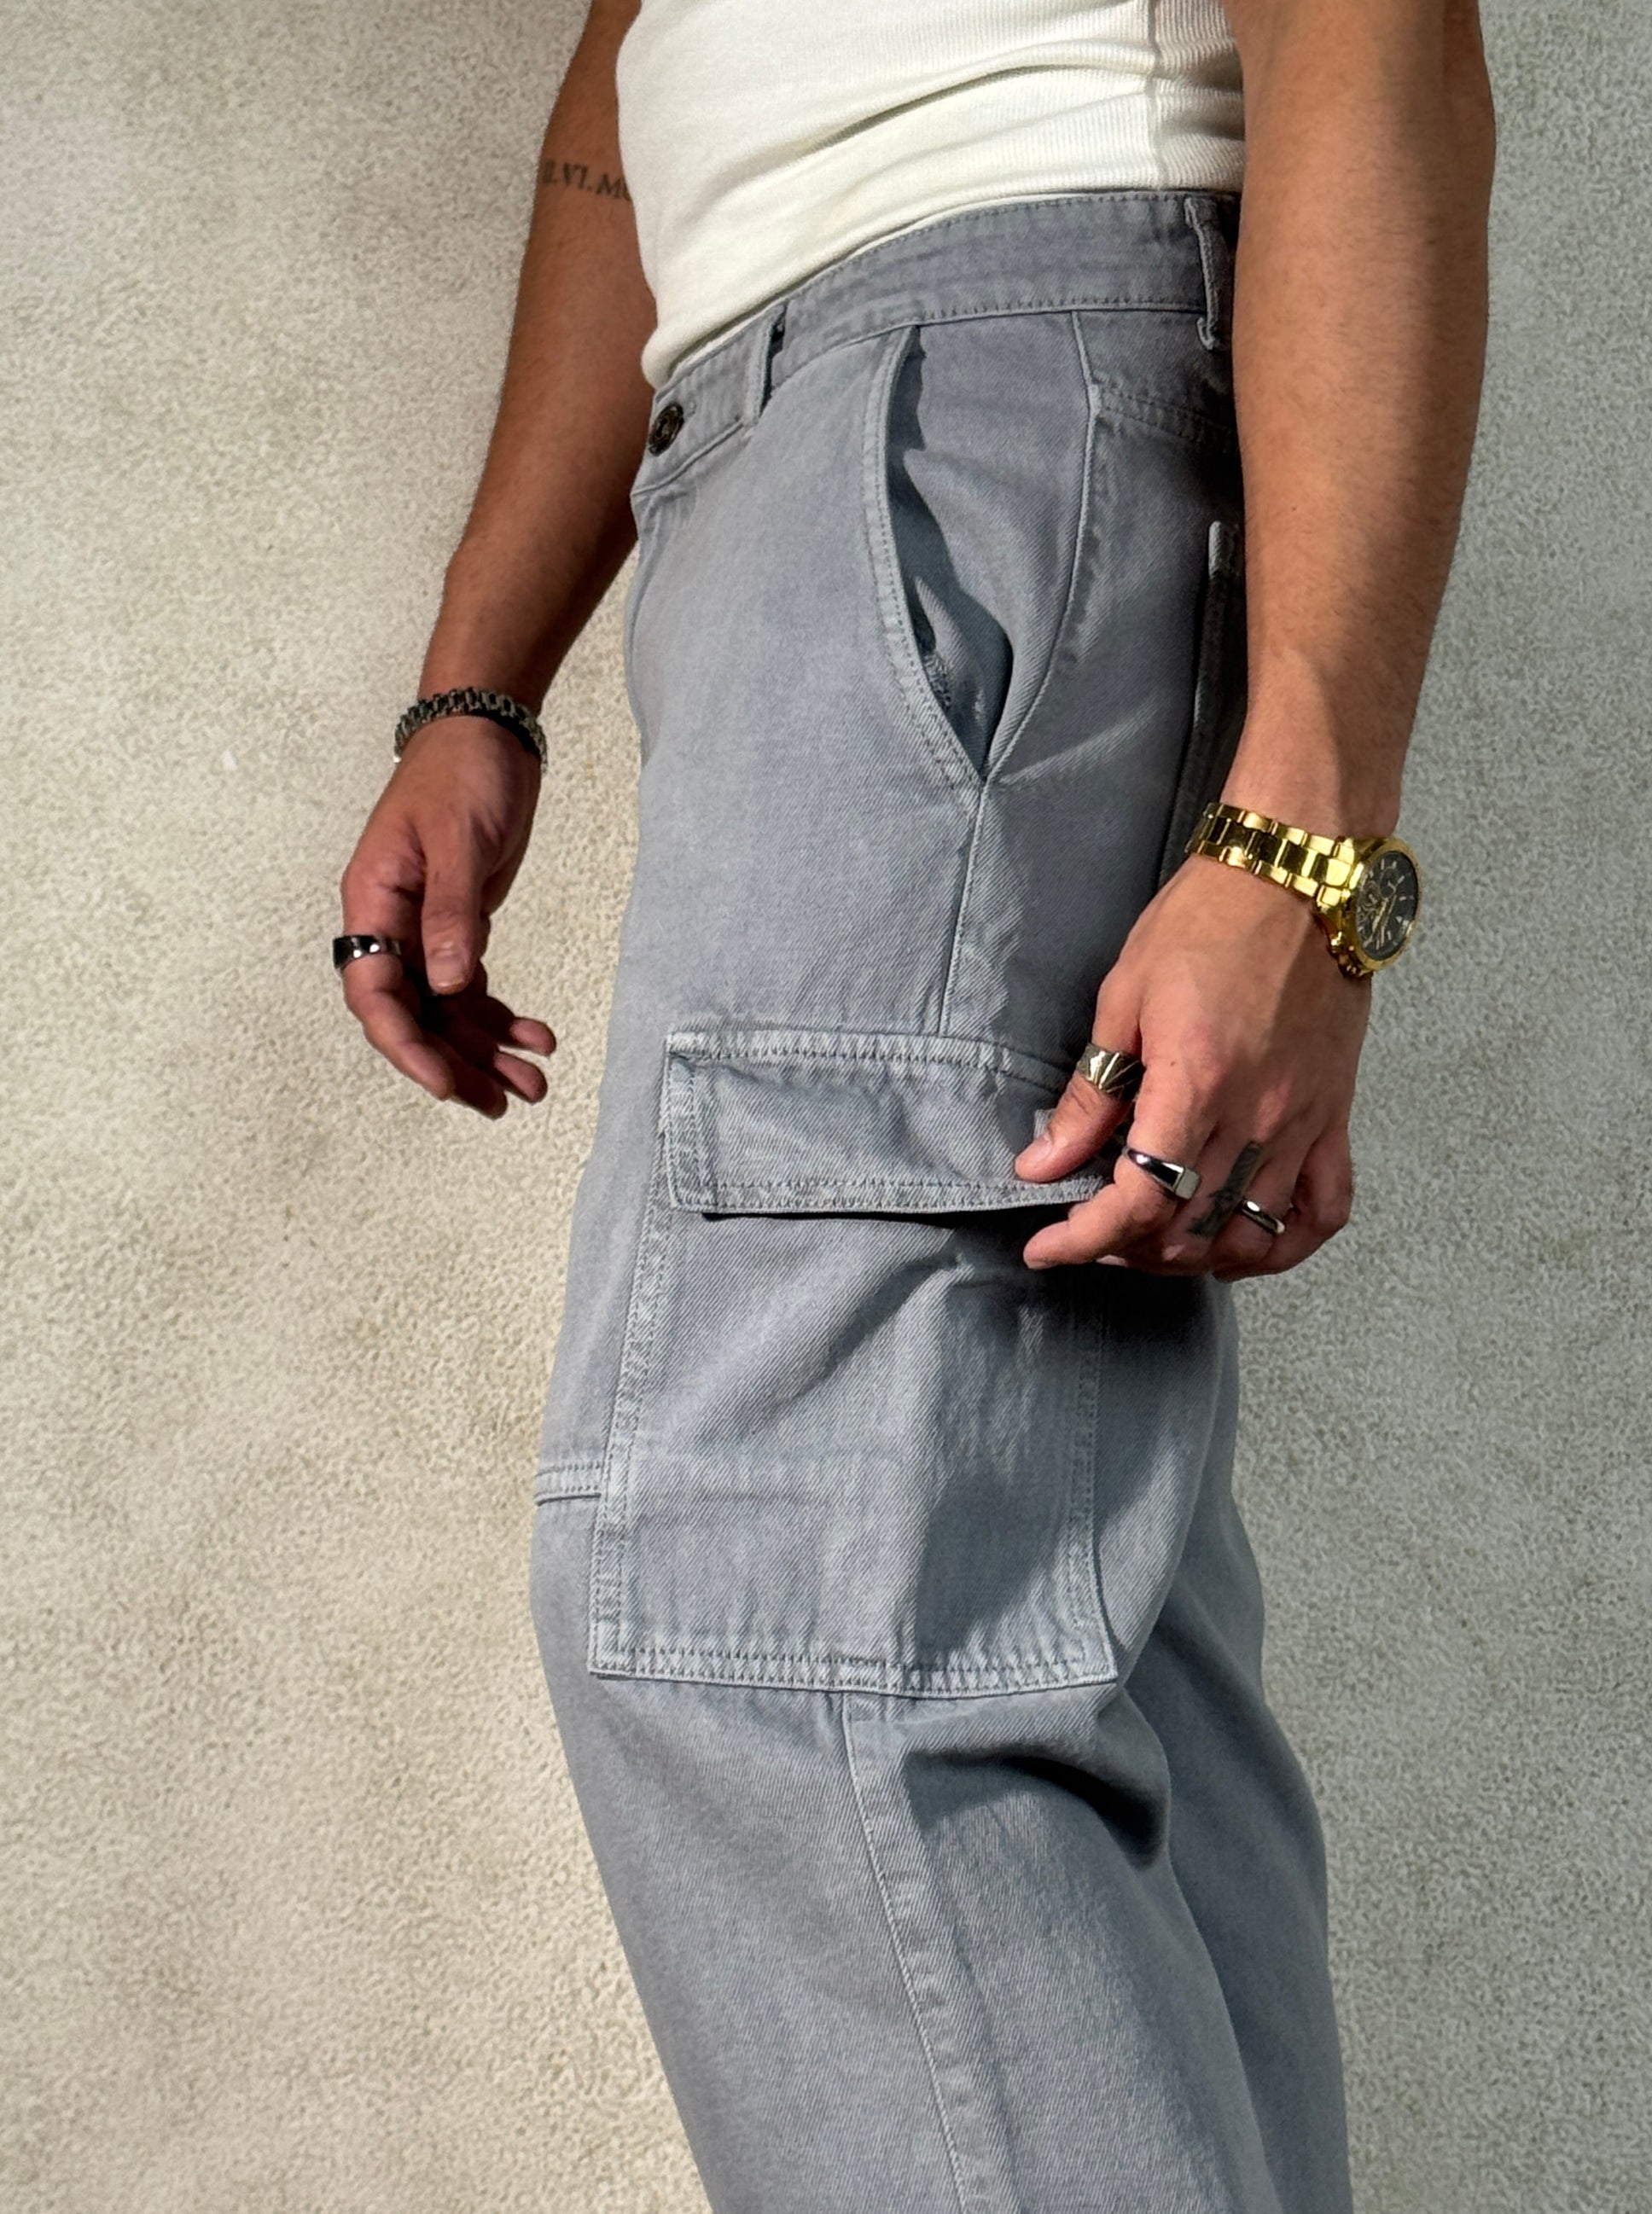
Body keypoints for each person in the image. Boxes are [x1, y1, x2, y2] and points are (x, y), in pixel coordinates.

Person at [335, 1, 1494, 2205]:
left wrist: (1306, 845)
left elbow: (1380, 31)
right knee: (1040, 1634)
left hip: (972, 405)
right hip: (810, 451)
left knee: (773, 1603)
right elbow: (637, 64)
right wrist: (481, 673)